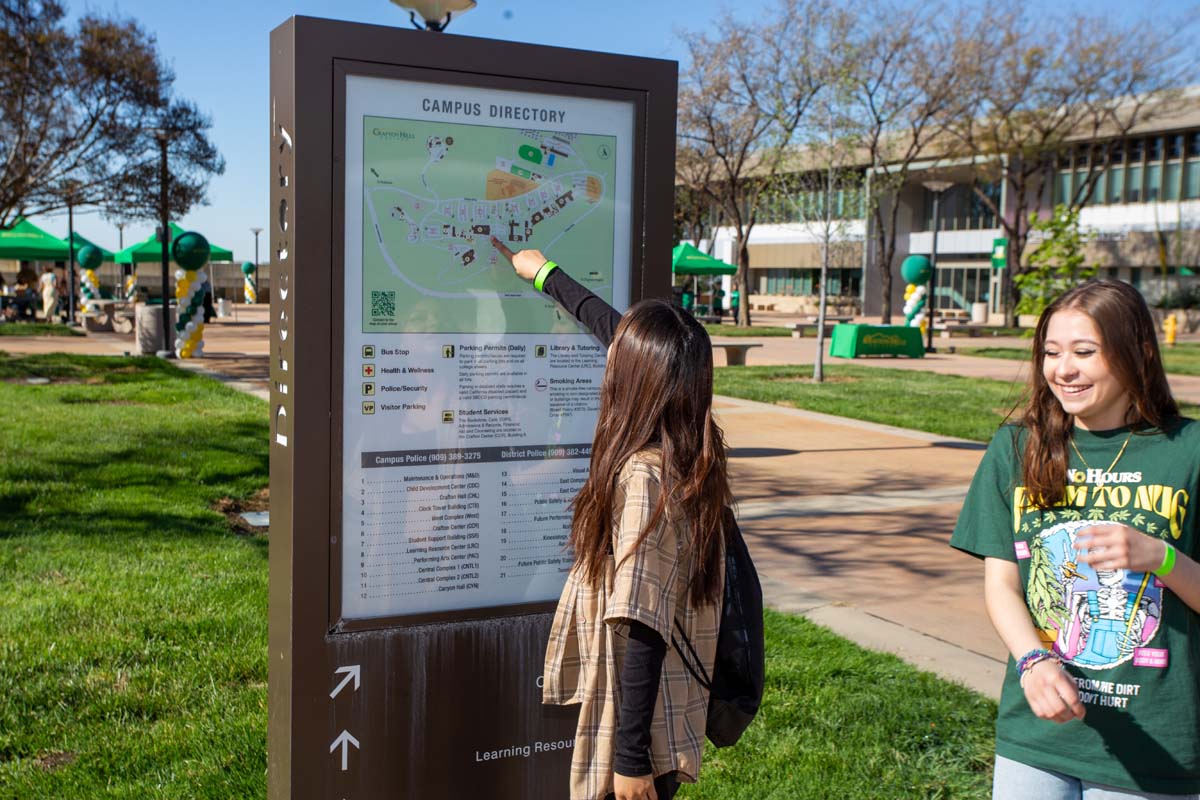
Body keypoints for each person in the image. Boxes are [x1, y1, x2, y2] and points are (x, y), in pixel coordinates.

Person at [494, 239, 729, 800]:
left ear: (632, 380)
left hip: (639, 736)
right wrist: (547, 274)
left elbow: (641, 626)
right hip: (668, 715)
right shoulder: (694, 447)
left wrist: (629, 762)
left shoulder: (645, 479)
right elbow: (617, 331)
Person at [950, 280, 1200, 799]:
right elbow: (1003, 584)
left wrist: (1160, 557)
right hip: (1036, 734)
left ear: (1139, 354)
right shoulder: (1016, 446)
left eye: (1084, 352)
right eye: (1051, 352)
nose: (1063, 369)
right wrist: (1032, 662)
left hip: (1159, 745)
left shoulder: (1189, 450)